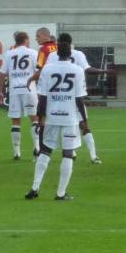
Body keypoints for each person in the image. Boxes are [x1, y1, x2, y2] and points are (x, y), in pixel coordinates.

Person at [25, 41, 88, 201]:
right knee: (67, 154)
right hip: (70, 118)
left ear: (57, 53)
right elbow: (79, 98)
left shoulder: (47, 69)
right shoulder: (77, 70)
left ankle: (35, 187)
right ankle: (60, 193)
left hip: (51, 116)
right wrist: (84, 121)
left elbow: (43, 96)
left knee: (45, 151)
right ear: (70, 54)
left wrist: (41, 118)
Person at [39, 32, 108, 164]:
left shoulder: (53, 56)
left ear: (59, 43)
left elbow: (45, 71)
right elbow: (87, 69)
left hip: (57, 99)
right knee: (83, 125)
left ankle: (46, 153)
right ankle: (93, 156)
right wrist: (103, 71)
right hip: (75, 96)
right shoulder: (79, 54)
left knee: (57, 125)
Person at [0, 31, 39, 160]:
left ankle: (16, 152)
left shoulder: (9, 54)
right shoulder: (33, 53)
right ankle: (37, 147)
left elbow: (2, 74)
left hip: (15, 90)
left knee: (15, 120)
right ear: (26, 39)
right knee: (34, 118)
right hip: (29, 89)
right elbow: (38, 71)